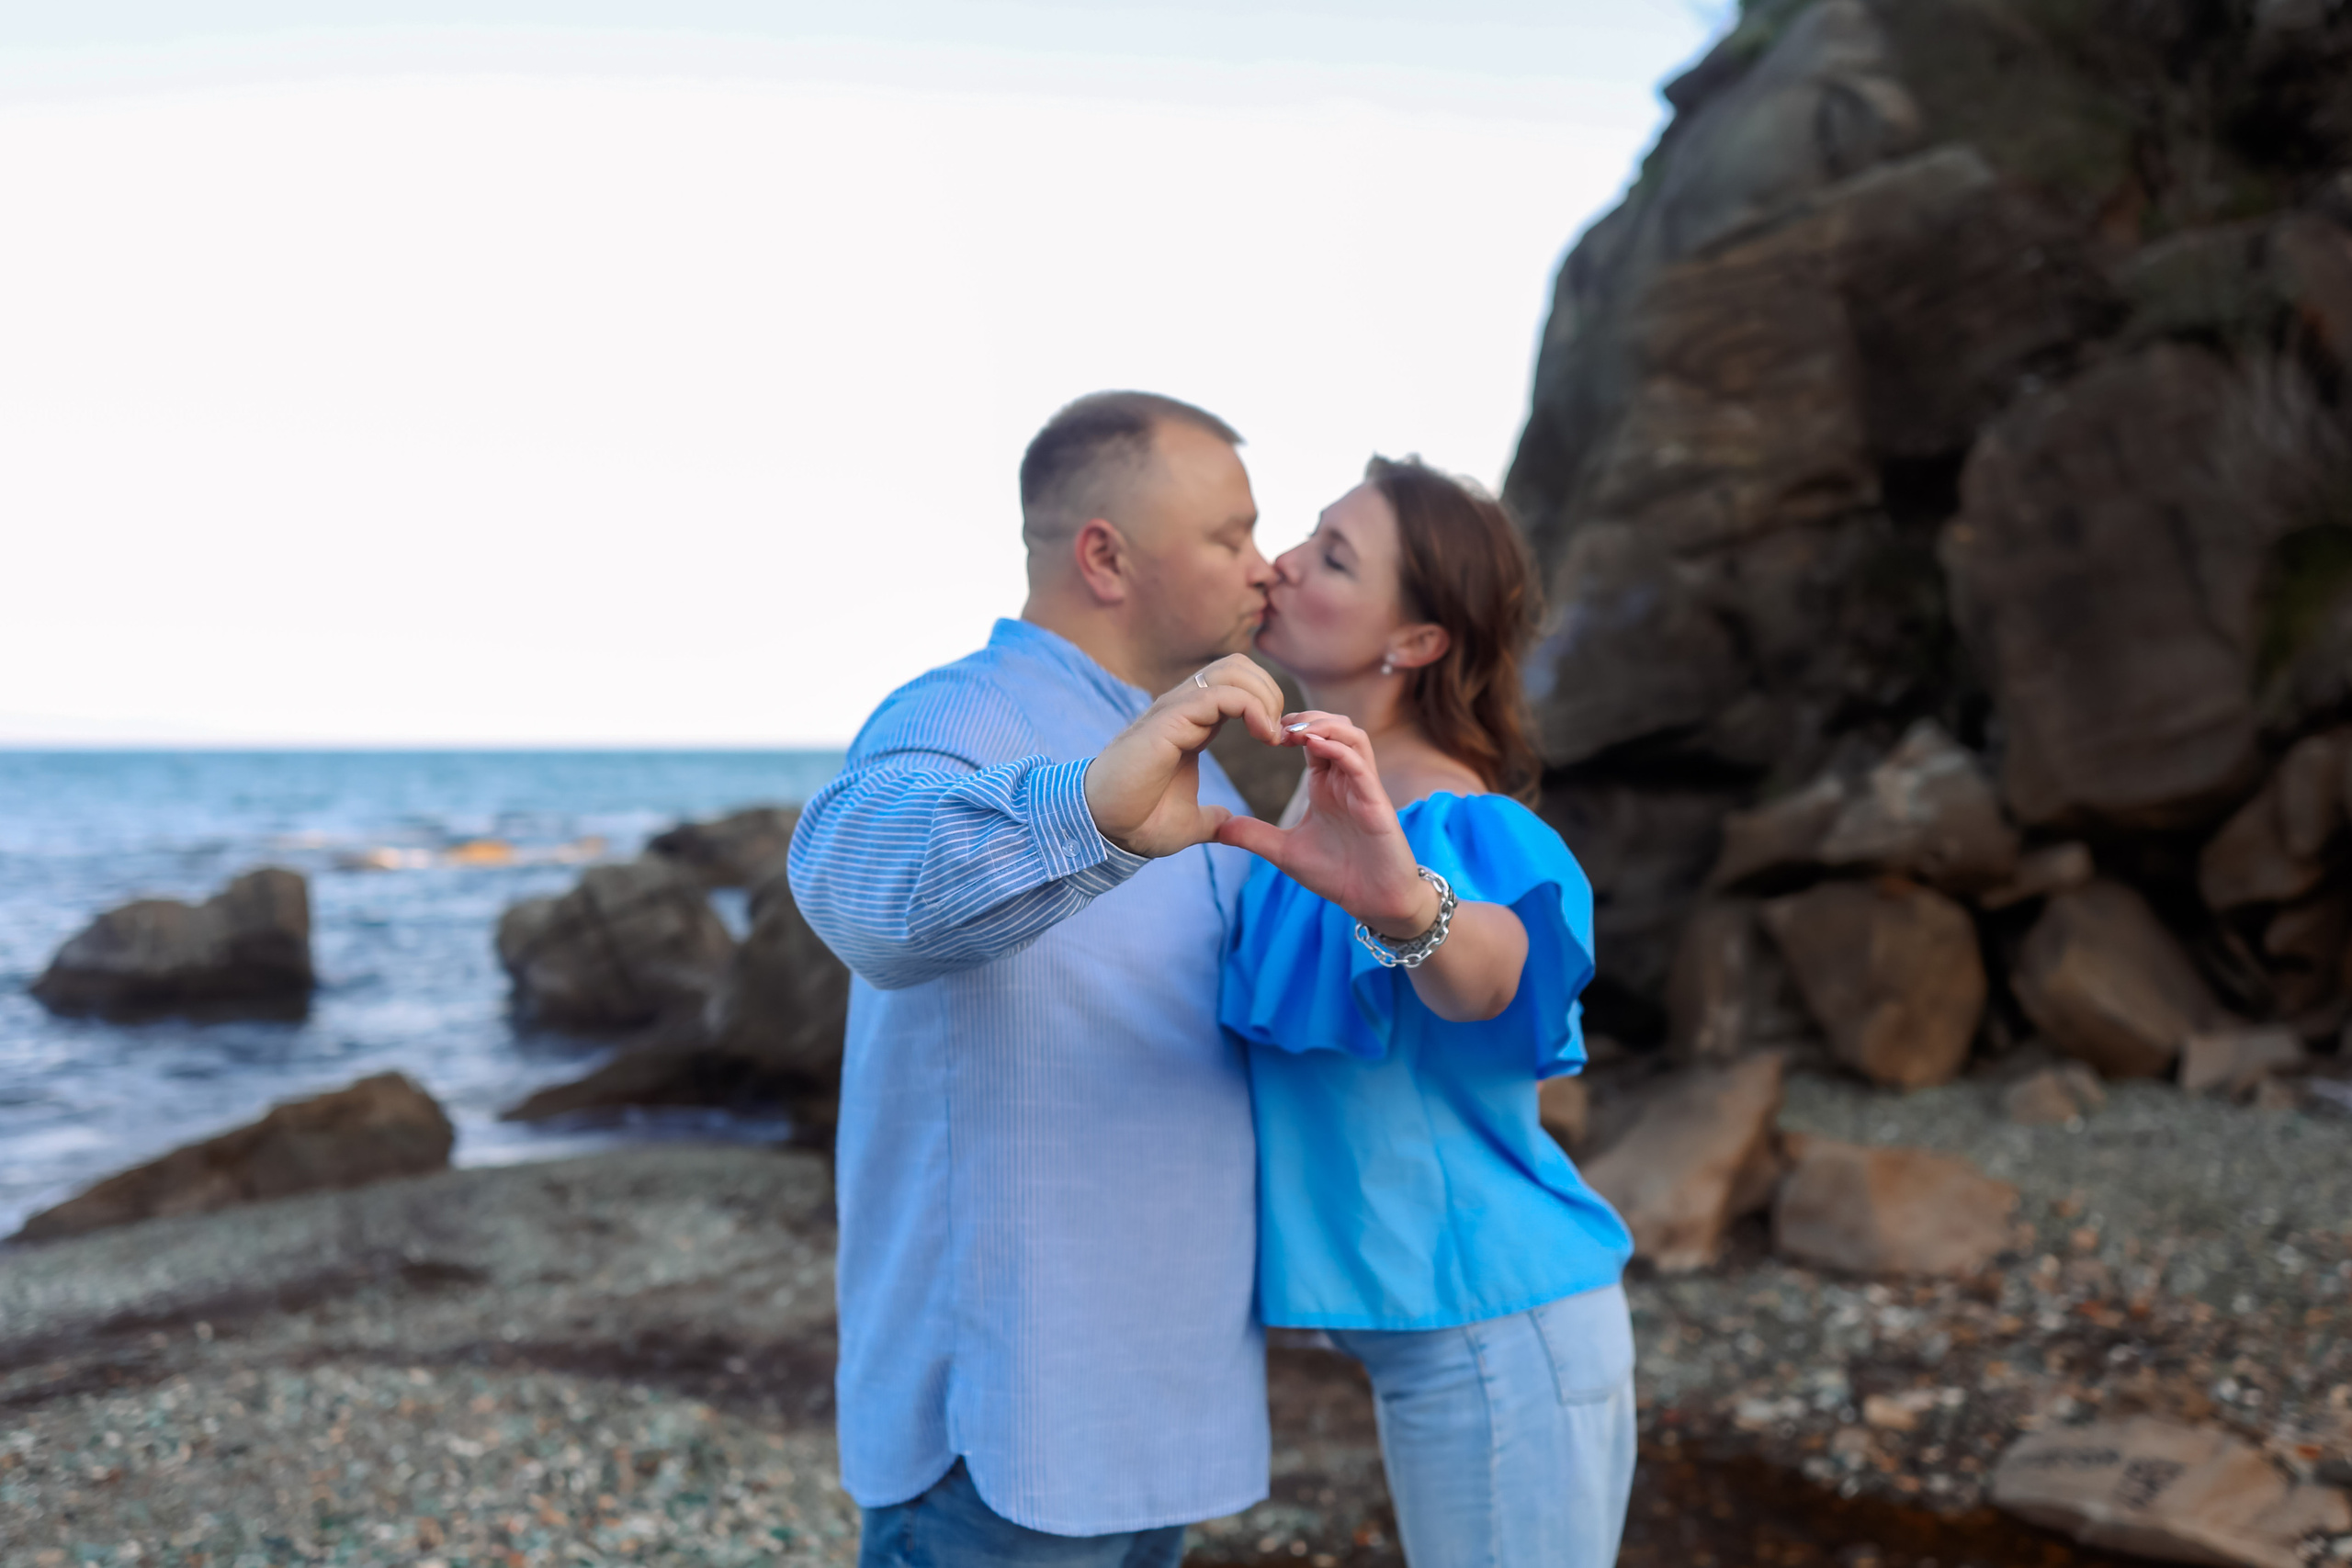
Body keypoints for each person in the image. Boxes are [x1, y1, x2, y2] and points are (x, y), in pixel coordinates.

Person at [787, 390, 1295, 1567]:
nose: (1264, 568)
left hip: (1157, 1432)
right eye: (1230, 535)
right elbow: (861, 880)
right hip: (1006, 1453)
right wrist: (1084, 811)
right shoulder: (966, 710)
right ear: (1105, 557)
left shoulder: (1195, 756)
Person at [1215, 457, 1637, 1568]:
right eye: (1307, 534)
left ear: (1417, 642)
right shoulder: (1318, 798)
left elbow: (1490, 966)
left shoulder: (1447, 819)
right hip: (1436, 1340)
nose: (1289, 560)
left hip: (1498, 1331)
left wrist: (1408, 908)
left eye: (1337, 557)